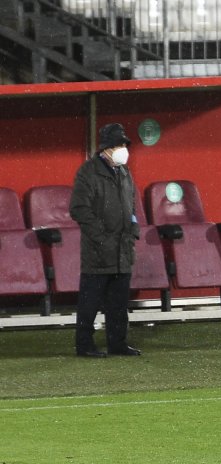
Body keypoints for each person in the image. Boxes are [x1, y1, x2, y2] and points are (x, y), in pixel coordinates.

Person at [69, 122, 141, 358]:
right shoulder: (88, 172)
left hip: (122, 249)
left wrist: (132, 230)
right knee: (89, 303)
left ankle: (117, 343)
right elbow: (79, 209)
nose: (123, 148)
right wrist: (101, 237)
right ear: (106, 148)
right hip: (98, 251)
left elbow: (131, 205)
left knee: (118, 304)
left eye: (124, 144)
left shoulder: (125, 173)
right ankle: (84, 345)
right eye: (119, 144)